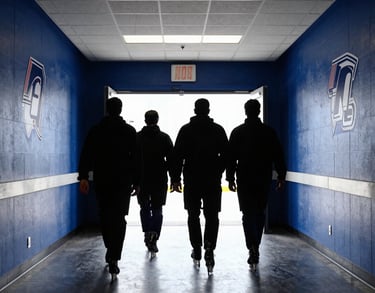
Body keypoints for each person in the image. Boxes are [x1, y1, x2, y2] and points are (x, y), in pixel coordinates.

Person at [78, 97, 139, 280]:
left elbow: (86, 153)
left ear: (107, 109)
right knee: (119, 218)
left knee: (104, 215)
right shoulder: (129, 131)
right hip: (123, 182)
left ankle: (110, 249)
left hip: (103, 180)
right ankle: (114, 255)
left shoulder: (96, 131)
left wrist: (83, 177)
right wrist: (137, 182)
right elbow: (137, 158)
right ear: (120, 110)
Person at [226, 99, 286, 272]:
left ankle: (250, 245)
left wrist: (230, 178)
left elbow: (231, 158)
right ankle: (256, 245)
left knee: (247, 213)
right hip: (263, 177)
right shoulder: (269, 132)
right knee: (260, 212)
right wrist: (281, 175)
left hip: (244, 178)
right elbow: (278, 155)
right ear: (259, 111)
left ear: (246, 111)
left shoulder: (237, 132)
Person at [171, 98, 228, 275]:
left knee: (193, 215)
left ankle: (196, 248)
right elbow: (226, 154)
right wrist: (218, 170)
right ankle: (209, 246)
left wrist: (175, 178)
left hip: (192, 180)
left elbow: (177, 156)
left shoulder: (186, 130)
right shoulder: (218, 130)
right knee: (212, 216)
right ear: (208, 110)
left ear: (195, 110)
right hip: (211, 180)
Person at [136, 110, 173, 257]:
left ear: (145, 120)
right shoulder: (164, 138)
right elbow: (171, 160)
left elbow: (132, 159)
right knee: (157, 209)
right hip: (159, 179)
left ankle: (147, 232)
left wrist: (133, 180)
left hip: (142, 179)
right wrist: (175, 178)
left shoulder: (137, 138)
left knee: (144, 207)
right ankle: (154, 235)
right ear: (157, 120)